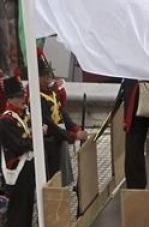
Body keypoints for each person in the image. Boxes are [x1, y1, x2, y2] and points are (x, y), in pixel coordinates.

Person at [38, 51, 86, 182]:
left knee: (63, 177)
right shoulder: (37, 98)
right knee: (53, 178)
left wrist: (75, 128)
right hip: (49, 141)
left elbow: (62, 113)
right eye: (45, 76)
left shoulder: (52, 93)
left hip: (60, 136)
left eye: (49, 75)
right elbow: (49, 123)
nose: (48, 79)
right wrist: (72, 136)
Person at [0, 77, 34, 227]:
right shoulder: (6, 120)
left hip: (28, 170)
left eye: (23, 95)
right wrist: (35, 139)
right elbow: (18, 145)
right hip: (16, 173)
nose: (23, 99)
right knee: (17, 215)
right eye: (19, 96)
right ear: (11, 99)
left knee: (27, 210)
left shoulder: (23, 116)